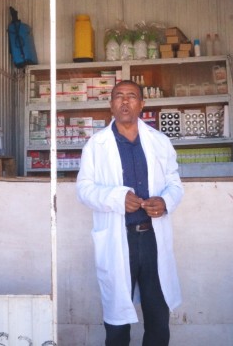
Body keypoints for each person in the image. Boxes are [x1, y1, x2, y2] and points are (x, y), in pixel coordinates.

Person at [77, 80, 184, 346]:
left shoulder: (159, 141)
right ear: (111, 104)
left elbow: (175, 183)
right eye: (119, 96)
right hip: (118, 238)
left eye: (132, 96)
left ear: (142, 104)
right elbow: (84, 189)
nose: (125, 102)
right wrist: (116, 198)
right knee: (117, 321)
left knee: (158, 315)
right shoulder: (96, 145)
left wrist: (165, 201)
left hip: (151, 240)